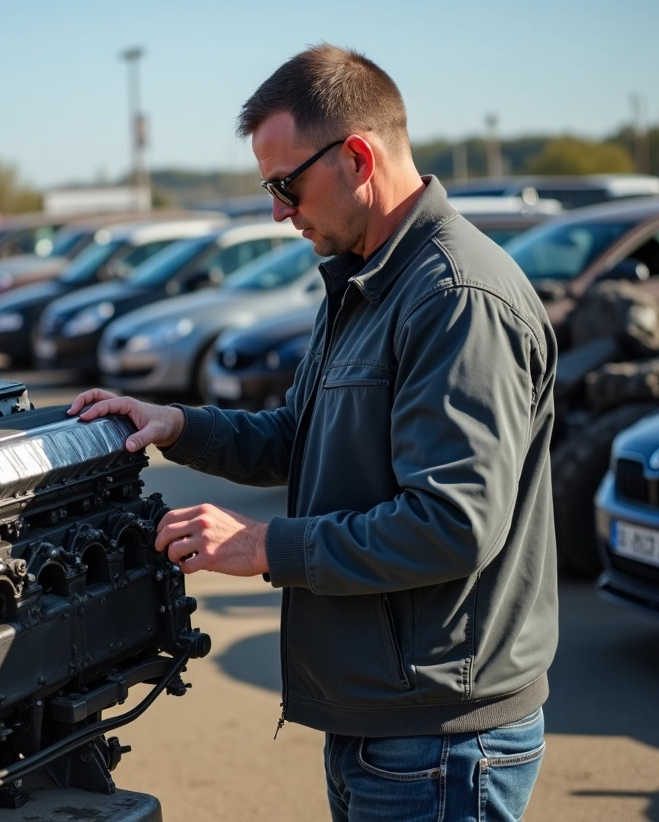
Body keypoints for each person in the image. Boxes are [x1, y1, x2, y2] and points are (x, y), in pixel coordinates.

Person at [69, 43, 558, 821]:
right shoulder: (366, 279)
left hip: (438, 739)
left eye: (284, 185)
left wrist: (267, 546)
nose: (276, 211)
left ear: (357, 157)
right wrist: (176, 426)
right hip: (384, 726)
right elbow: (300, 435)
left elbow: (454, 524)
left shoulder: (457, 297)